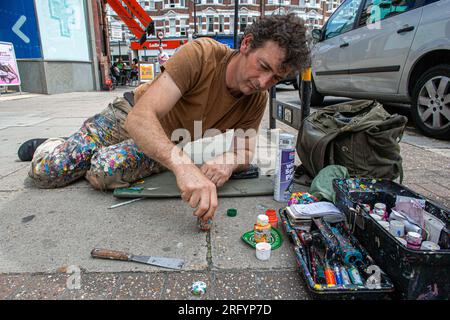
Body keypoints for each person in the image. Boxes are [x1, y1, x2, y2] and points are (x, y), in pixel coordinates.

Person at [18, 14, 310, 225]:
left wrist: (229, 160)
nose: (264, 82)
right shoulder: (202, 55)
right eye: (263, 67)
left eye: (276, 78)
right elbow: (140, 118)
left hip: (163, 143)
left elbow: (246, 149)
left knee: (102, 170)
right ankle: (57, 145)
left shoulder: (255, 97)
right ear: (246, 44)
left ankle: (83, 151)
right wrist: (183, 166)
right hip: (128, 116)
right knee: (49, 171)